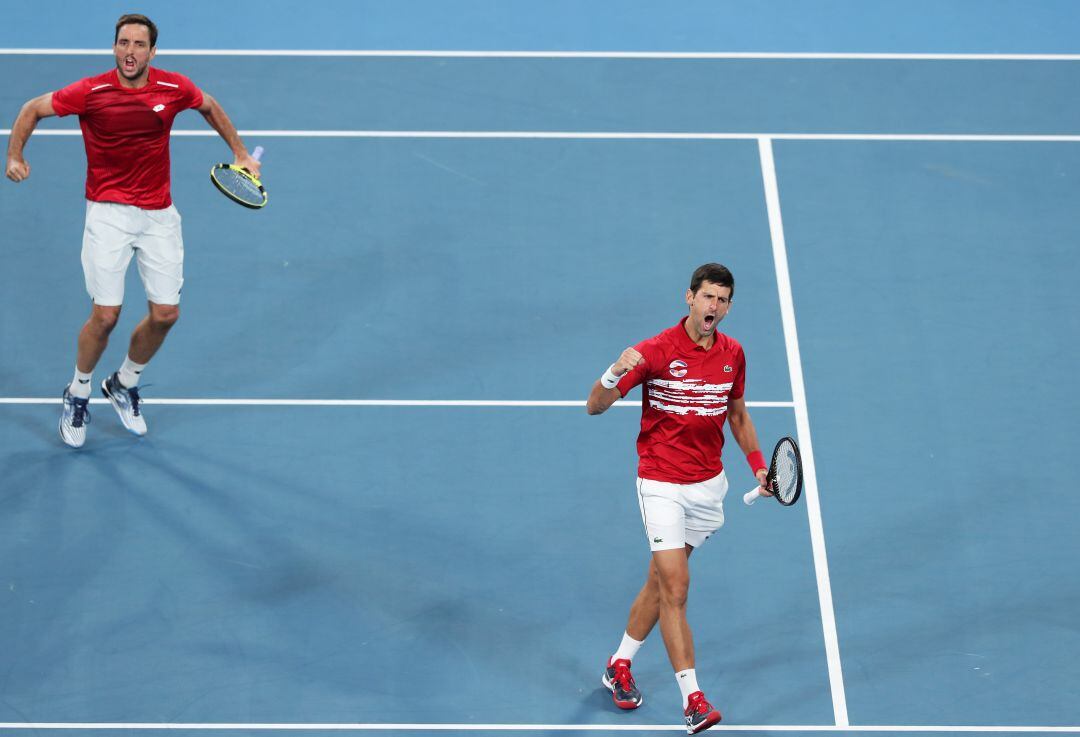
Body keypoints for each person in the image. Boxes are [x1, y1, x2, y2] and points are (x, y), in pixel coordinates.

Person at [5, 13, 260, 448]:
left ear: (152, 52)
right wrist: (15, 155)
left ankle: (123, 384)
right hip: (107, 214)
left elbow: (209, 105)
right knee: (105, 316)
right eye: (123, 43)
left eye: (139, 45)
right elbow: (32, 108)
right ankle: (79, 391)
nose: (130, 52)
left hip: (159, 215)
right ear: (114, 47)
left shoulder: (174, 88)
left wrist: (240, 152)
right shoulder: (90, 92)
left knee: (166, 315)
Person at [586, 263, 771, 734]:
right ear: (688, 298)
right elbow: (594, 405)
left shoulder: (733, 354)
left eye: (722, 300)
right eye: (707, 297)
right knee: (676, 588)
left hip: (708, 486)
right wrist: (613, 372)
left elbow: (738, 415)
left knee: (659, 584)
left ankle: (618, 666)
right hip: (661, 482)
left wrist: (758, 467)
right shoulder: (655, 351)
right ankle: (693, 699)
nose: (714, 307)